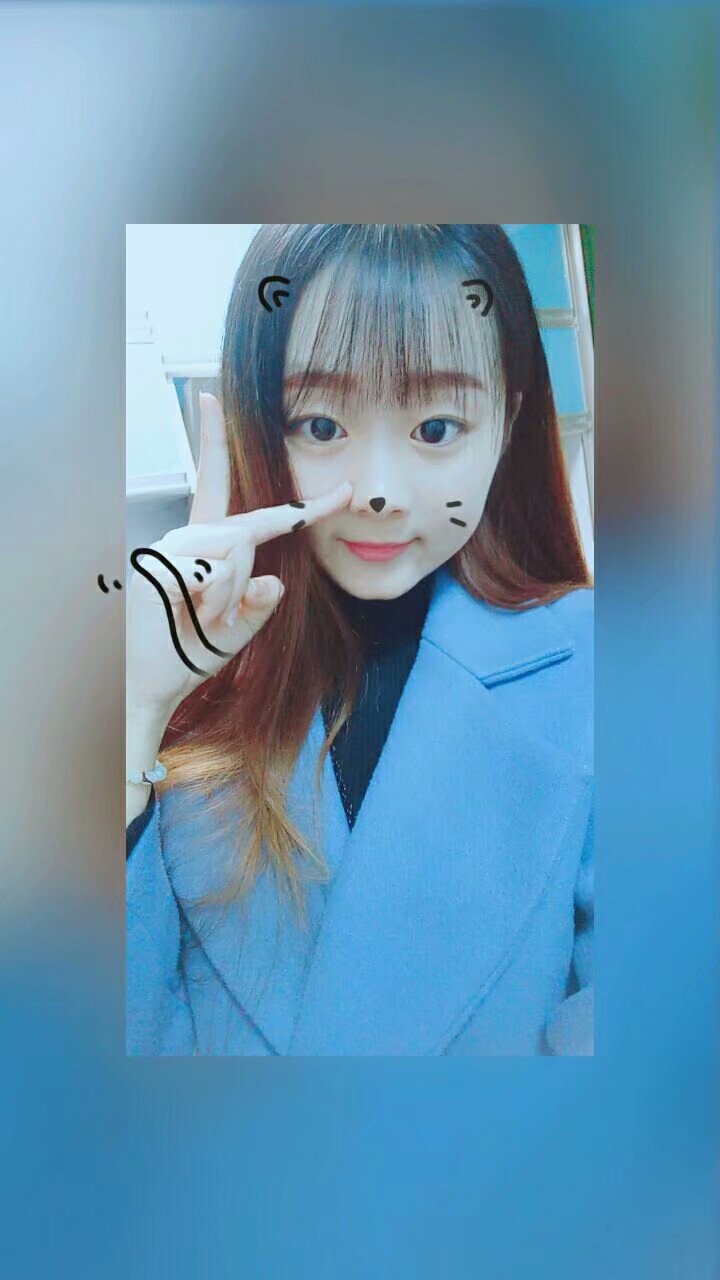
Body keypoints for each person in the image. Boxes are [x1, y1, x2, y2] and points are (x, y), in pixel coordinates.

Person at [126, 223, 594, 1056]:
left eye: (436, 429)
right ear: (256, 425)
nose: (378, 492)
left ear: (508, 422)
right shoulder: (174, 682)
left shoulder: (603, 666)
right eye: (319, 425)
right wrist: (136, 710)